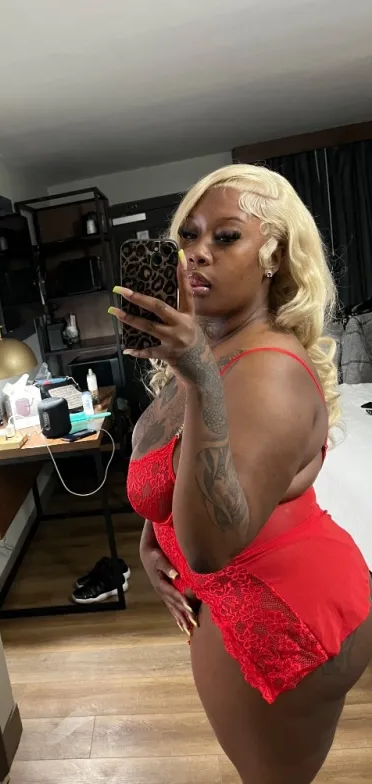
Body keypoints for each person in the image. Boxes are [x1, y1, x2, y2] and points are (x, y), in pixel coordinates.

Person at [110, 164, 372, 784]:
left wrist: (200, 375)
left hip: (279, 612)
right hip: (241, 599)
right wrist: (152, 536)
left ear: (274, 256)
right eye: (188, 236)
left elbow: (209, 547)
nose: (197, 252)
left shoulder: (266, 370)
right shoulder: (210, 351)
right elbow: (181, 466)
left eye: (226, 236)